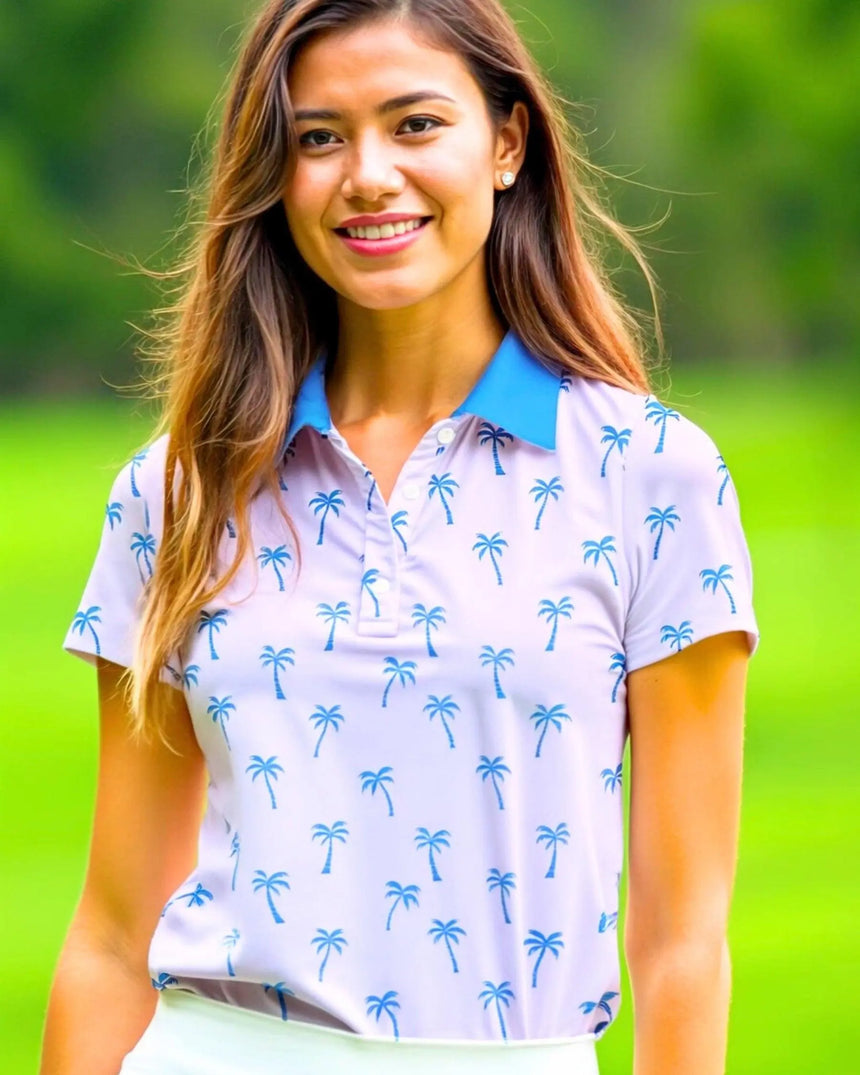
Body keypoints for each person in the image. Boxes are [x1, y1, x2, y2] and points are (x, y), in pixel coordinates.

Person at [39, 1, 761, 1073]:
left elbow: (680, 944)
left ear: (506, 144)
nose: (366, 174)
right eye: (317, 137)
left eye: (414, 124)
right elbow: (109, 932)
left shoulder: (649, 478)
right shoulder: (178, 490)